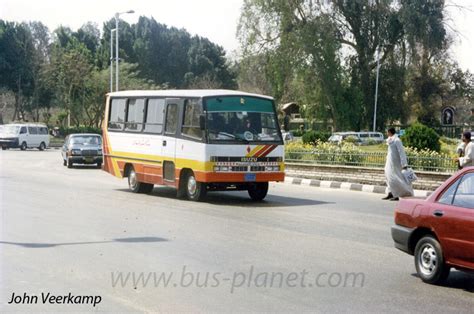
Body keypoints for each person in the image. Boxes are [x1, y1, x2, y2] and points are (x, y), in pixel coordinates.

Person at [382, 128, 414, 201]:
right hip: (389, 162)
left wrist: (404, 164)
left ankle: (398, 194)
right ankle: (390, 193)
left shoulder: (397, 140)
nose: (386, 133)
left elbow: (401, 152)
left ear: (389, 132)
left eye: (387, 132)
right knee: (388, 177)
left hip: (396, 163)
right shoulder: (390, 140)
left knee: (396, 178)